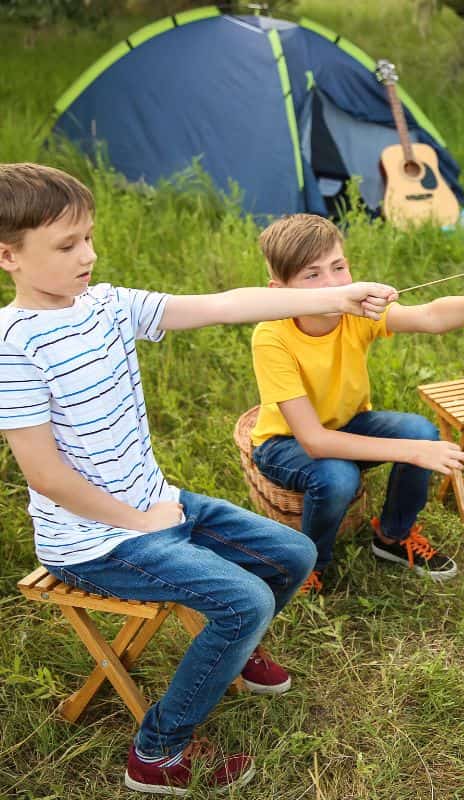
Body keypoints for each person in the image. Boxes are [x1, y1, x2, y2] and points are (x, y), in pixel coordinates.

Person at [0, 163, 398, 794]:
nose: (90, 254)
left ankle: (233, 653)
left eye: (90, 237)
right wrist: (140, 521)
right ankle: (156, 753)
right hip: (93, 541)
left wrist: (332, 296)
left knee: (293, 552)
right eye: (68, 244)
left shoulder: (107, 305)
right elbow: (46, 476)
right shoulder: (13, 346)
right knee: (247, 601)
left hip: (156, 504)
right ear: (8, 256)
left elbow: (224, 305)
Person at [251, 214, 464, 592]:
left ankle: (393, 537)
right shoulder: (271, 337)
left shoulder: (353, 311)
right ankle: (309, 562)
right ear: (279, 290)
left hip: (344, 424)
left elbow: (429, 316)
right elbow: (314, 441)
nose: (332, 283)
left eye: (339, 267)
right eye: (312, 275)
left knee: (420, 430)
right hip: (284, 443)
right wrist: (412, 452)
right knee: (339, 476)